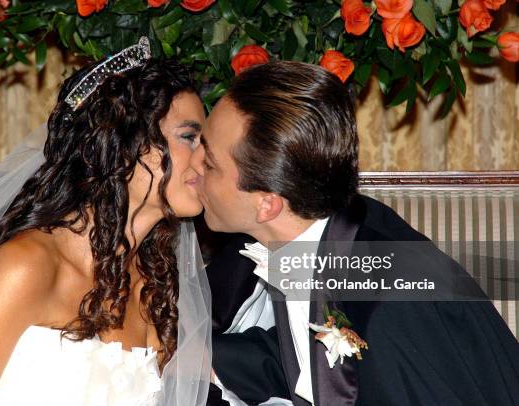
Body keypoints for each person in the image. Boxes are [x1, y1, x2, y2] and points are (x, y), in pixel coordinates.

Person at [193, 61, 519, 405]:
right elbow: (313, 361)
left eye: (210, 163)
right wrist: (194, 362)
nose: (193, 166)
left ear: (267, 204)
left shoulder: (388, 309)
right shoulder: (331, 230)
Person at [0, 38, 211, 405]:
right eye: (189, 138)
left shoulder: (155, 285)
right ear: (121, 141)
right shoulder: (25, 267)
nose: (203, 158)